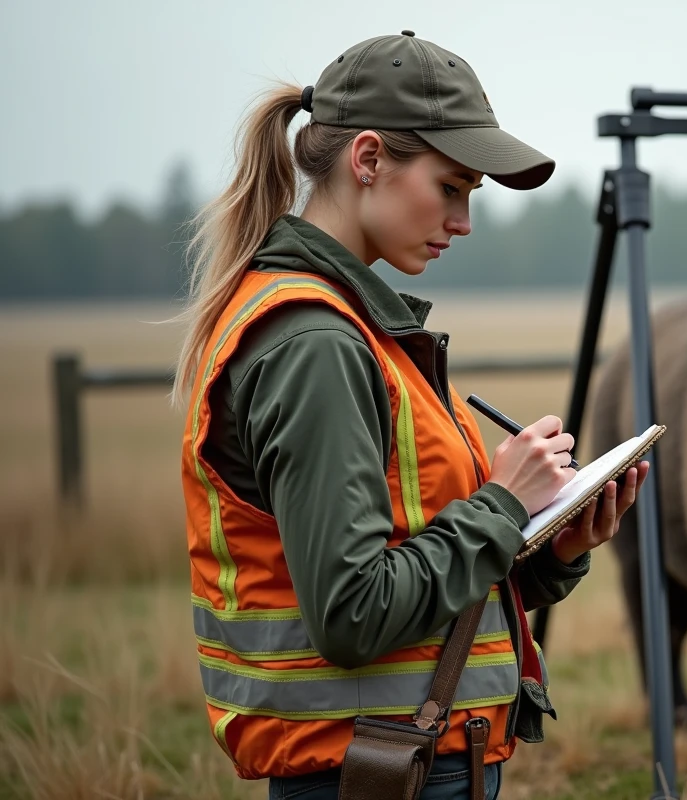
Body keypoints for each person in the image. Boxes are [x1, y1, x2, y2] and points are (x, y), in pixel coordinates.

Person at [172, 31, 649, 800]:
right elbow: (354, 615)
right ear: (368, 161)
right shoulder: (318, 347)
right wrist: (501, 504)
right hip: (382, 771)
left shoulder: (360, 334)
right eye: (452, 187)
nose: (462, 221)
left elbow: (416, 596)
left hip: (409, 756)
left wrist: (550, 547)